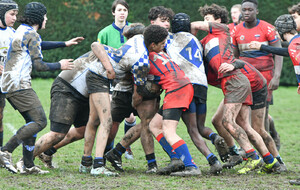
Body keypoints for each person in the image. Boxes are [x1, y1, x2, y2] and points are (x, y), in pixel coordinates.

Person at [192, 3, 281, 174]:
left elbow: (236, 60)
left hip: (249, 82)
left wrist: (188, 29)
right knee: (236, 124)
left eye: (207, 18)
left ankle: (259, 157)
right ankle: (269, 161)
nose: (204, 21)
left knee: (243, 124)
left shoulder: (222, 31)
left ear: (217, 21)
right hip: (238, 83)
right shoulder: (205, 43)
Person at [80, 25, 168, 174]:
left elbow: (96, 45)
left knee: (93, 121)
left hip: (93, 73)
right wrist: (156, 91)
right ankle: (98, 166)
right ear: (153, 45)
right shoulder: (142, 62)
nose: (164, 46)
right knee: (106, 122)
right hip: (100, 78)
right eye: (162, 43)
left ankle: (85, 163)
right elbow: (138, 93)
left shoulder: (139, 38)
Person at [0, 2, 74, 174]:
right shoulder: (31, 34)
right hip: (18, 85)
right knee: (40, 121)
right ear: (38, 17)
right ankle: (5, 150)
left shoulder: (20, 30)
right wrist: (60, 64)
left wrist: (64, 43)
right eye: (45, 16)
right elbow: (39, 66)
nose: (46, 19)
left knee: (32, 121)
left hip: (10, 83)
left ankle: (28, 165)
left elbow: (38, 44)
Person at [159, 13, 223, 175]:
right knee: (201, 127)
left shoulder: (169, 39)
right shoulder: (196, 41)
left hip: (185, 85)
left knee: (192, 129)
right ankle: (215, 137)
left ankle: (212, 160)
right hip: (202, 84)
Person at [231, 0, 283, 150]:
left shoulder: (267, 28)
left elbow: (278, 53)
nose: (246, 12)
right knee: (244, 112)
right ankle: (251, 148)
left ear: (256, 11)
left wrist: (277, 76)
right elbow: (235, 57)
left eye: (250, 10)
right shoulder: (236, 30)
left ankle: (268, 144)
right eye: (244, 10)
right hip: (245, 77)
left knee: (263, 113)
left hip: (265, 76)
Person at [97, 0, 135, 160]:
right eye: (119, 10)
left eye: (125, 10)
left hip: (132, 79)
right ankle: (108, 150)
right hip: (112, 80)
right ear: (113, 12)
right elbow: (99, 54)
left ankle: (126, 147)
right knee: (112, 118)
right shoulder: (104, 32)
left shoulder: (134, 29)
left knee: (131, 117)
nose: (122, 12)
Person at [0, 0, 18, 149]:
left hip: (3, 82)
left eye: (16, 14)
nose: (15, 18)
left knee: (0, 116)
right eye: (11, 14)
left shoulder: (13, 33)